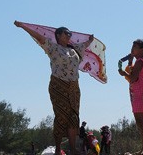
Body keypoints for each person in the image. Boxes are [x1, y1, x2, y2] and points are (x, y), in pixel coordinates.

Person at [15, 21, 95, 155]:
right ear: (58, 35)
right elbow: (40, 38)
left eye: (70, 33)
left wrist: (90, 40)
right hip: (58, 84)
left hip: (74, 87)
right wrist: (24, 27)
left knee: (74, 118)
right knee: (61, 116)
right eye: (66, 33)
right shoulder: (53, 48)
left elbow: (85, 44)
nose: (69, 35)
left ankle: (73, 149)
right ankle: (58, 148)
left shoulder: (74, 50)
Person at [118, 39, 143, 155]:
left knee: (141, 122)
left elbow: (133, 78)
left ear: (141, 50)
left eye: (135, 47)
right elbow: (134, 75)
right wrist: (130, 62)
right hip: (140, 93)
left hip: (139, 95)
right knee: (140, 122)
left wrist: (124, 74)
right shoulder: (141, 61)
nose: (132, 49)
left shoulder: (140, 62)